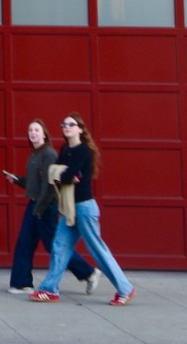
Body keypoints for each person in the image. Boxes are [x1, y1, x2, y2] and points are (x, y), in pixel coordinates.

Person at [29, 112, 136, 306]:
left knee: (98, 251)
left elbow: (65, 174)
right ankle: (49, 290)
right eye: (64, 124)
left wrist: (65, 174)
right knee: (59, 247)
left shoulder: (83, 150)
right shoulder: (65, 150)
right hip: (70, 209)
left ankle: (125, 289)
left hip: (85, 208)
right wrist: (65, 174)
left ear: (80, 129)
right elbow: (57, 172)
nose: (67, 127)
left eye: (71, 124)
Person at [4, 118, 101, 295]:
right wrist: (18, 180)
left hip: (46, 207)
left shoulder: (48, 154)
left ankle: (89, 272)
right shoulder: (34, 154)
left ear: (44, 134)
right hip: (35, 204)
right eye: (30, 130)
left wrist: (40, 208)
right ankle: (21, 283)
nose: (33, 133)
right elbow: (35, 184)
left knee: (53, 246)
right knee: (25, 243)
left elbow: (50, 185)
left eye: (36, 130)